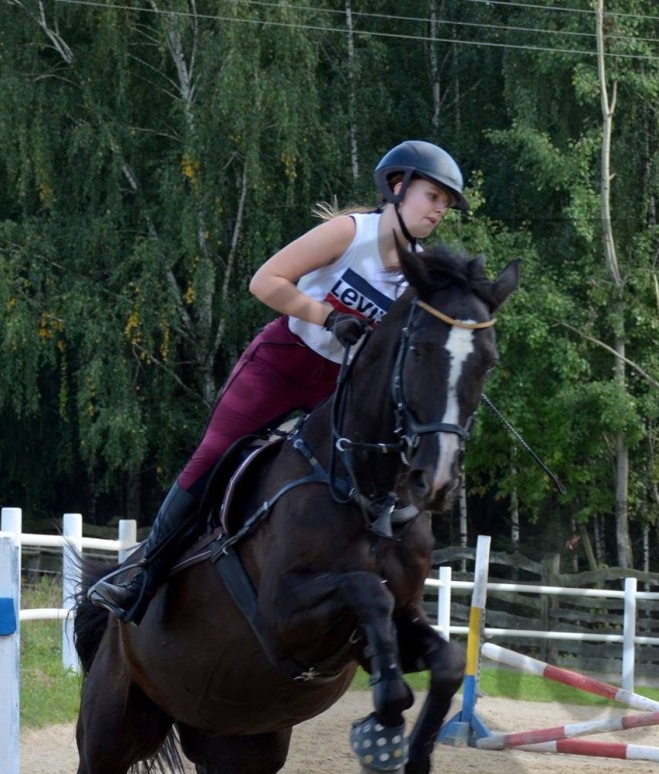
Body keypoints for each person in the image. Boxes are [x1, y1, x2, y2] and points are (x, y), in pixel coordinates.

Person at [89, 140, 469, 623]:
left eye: (446, 204)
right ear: (398, 187)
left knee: (371, 470)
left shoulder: (420, 269)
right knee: (214, 453)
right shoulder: (350, 232)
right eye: (433, 196)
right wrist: (327, 317)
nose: (440, 209)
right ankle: (141, 575)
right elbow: (265, 281)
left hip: (338, 384)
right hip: (283, 362)